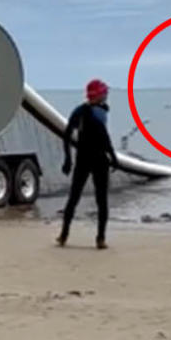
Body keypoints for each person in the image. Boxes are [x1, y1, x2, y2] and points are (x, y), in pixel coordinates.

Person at [57, 79, 118, 249]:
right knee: (100, 200)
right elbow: (104, 137)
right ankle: (100, 239)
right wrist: (113, 156)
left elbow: (67, 135)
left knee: (74, 198)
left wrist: (68, 158)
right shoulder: (96, 112)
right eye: (104, 93)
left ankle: (64, 236)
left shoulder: (81, 111)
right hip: (98, 159)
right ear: (98, 95)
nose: (106, 96)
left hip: (83, 159)